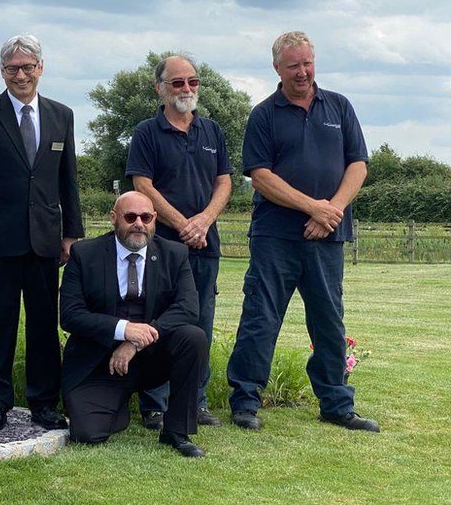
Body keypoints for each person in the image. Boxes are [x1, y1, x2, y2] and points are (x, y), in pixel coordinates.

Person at [226, 31, 378, 432]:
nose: (302, 72)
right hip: (275, 236)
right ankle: (245, 401)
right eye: (293, 65)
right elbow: (260, 176)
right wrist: (312, 206)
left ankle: (336, 404)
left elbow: (358, 164)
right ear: (276, 68)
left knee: (329, 320)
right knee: (261, 317)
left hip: (328, 236)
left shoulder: (340, 106)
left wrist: (332, 211)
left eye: (307, 63)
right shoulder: (264, 114)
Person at [0, 34, 84, 431]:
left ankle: (44, 402)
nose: (21, 75)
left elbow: (69, 181)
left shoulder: (62, 115)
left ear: (41, 68)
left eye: (28, 67)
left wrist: (71, 234)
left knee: (45, 323)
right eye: (13, 68)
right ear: (2, 72)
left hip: (45, 239)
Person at [126, 55, 232, 430]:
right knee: (155, 320)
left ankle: (194, 403)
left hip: (205, 245)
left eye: (192, 81)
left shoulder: (212, 131)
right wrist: (182, 223)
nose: (186, 89)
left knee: (201, 322)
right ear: (160, 88)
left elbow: (225, 181)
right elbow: (142, 185)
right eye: (177, 83)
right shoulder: (146, 132)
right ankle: (154, 405)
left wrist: (203, 221)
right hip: (160, 246)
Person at [60, 191, 208, 457]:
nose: (139, 223)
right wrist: (123, 329)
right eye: (130, 217)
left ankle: (177, 431)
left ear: (154, 219)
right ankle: (118, 404)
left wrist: (135, 342)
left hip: (151, 357)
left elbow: (188, 308)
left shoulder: (174, 253)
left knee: (193, 337)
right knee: (88, 433)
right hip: (101, 362)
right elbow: (70, 315)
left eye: (146, 217)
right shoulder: (84, 254)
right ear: (114, 219)